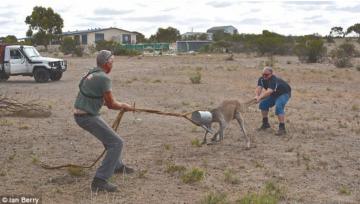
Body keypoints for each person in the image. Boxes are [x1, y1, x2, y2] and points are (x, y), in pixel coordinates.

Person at [74, 50, 134, 192]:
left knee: (111, 139)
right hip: (87, 116)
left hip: (82, 114)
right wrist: (124, 106)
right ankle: (99, 181)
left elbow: (95, 96)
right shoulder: (103, 78)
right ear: (107, 63)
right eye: (112, 62)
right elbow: (112, 104)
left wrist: (118, 105)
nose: (113, 64)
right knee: (116, 142)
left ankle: (116, 166)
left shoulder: (90, 73)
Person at [254, 67, 291, 136]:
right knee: (263, 104)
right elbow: (259, 87)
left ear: (271, 74)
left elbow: (269, 91)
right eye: (263, 74)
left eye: (266, 75)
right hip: (274, 94)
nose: (264, 76)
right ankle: (265, 124)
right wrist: (256, 95)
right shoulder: (261, 79)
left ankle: (282, 128)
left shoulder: (273, 79)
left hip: (284, 93)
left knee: (278, 106)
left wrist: (260, 97)